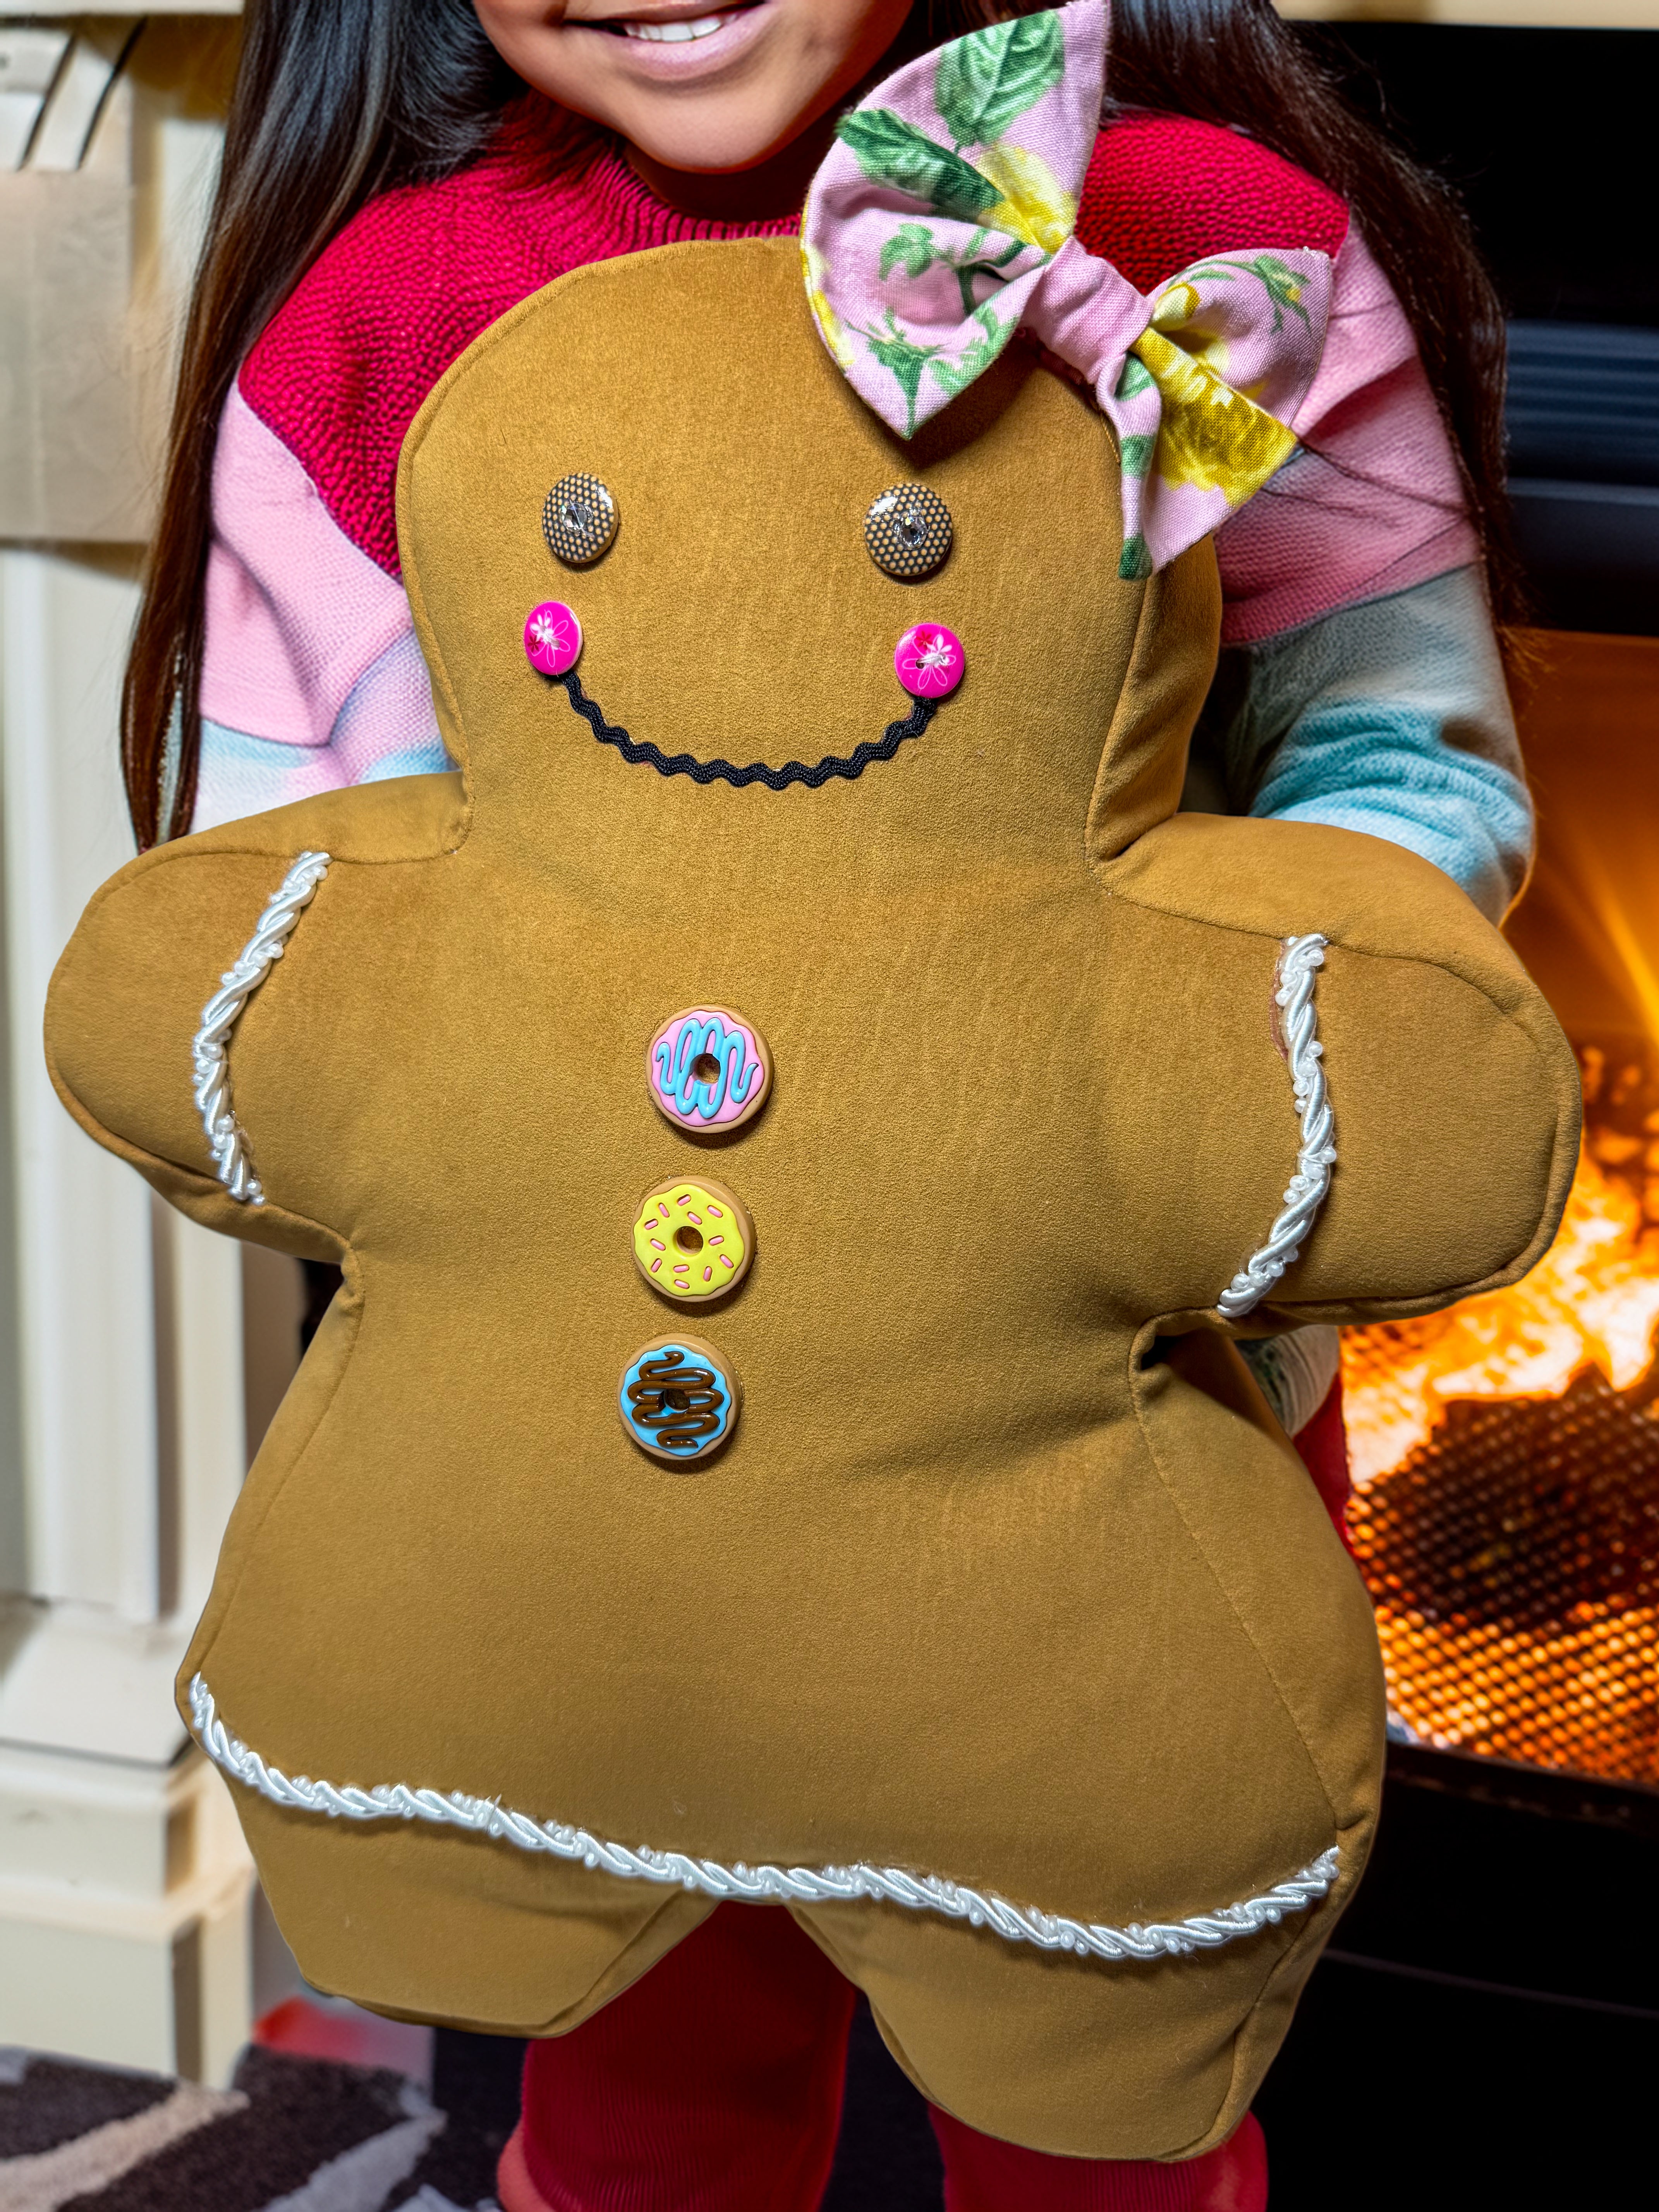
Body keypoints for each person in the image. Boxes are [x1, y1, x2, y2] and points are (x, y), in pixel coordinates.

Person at [115, 5, 1536, 2205]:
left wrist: (1148, 1096)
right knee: (644, 2071)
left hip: (1119, 1401)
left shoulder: (1209, 245)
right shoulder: (375, 326)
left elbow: (1402, 762)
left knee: (1108, 2073)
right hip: (591, 1442)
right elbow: (329, 885)